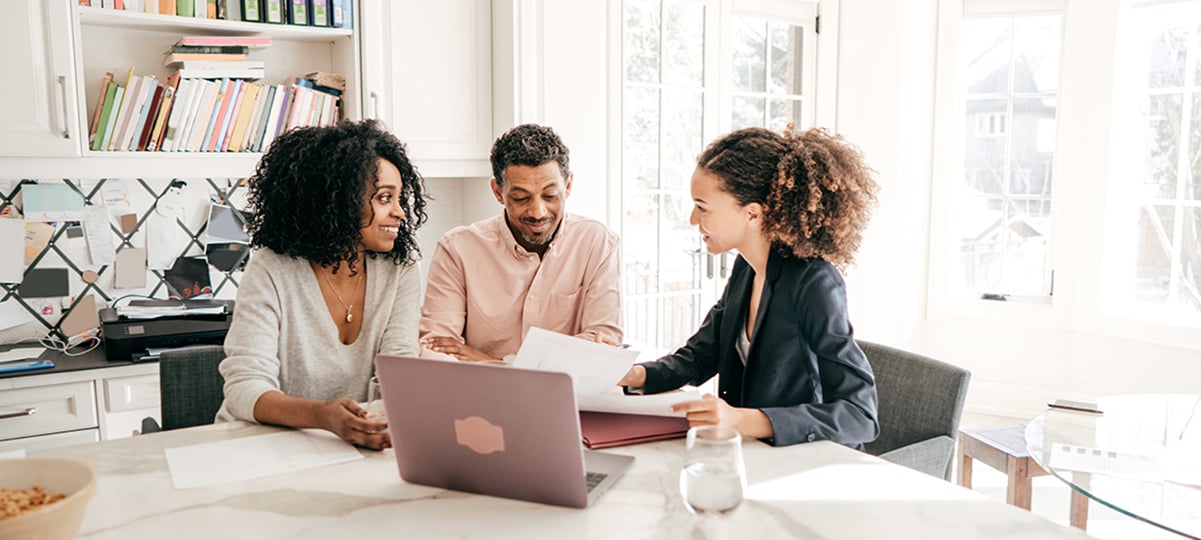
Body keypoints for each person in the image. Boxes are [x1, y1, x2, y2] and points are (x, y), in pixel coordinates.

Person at [617, 126, 880, 449]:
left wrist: (741, 421)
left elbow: (860, 414)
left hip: (806, 460)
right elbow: (701, 356)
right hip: (754, 455)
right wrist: (633, 375)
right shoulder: (747, 267)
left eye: (702, 207)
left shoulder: (814, 282)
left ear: (752, 213)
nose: (691, 219)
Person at [217, 120, 430, 450]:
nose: (400, 212)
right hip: (263, 446)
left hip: (351, 444)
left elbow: (399, 370)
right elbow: (245, 388)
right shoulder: (273, 268)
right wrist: (323, 416)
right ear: (340, 200)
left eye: (399, 198)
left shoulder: (400, 269)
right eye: (385, 198)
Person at [419, 123, 622, 362]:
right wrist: (567, 354)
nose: (537, 212)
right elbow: (437, 350)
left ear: (567, 186)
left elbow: (604, 344)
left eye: (550, 196)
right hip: (481, 397)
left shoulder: (598, 243)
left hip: (567, 398)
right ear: (497, 192)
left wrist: (494, 362)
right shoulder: (457, 249)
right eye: (521, 198)